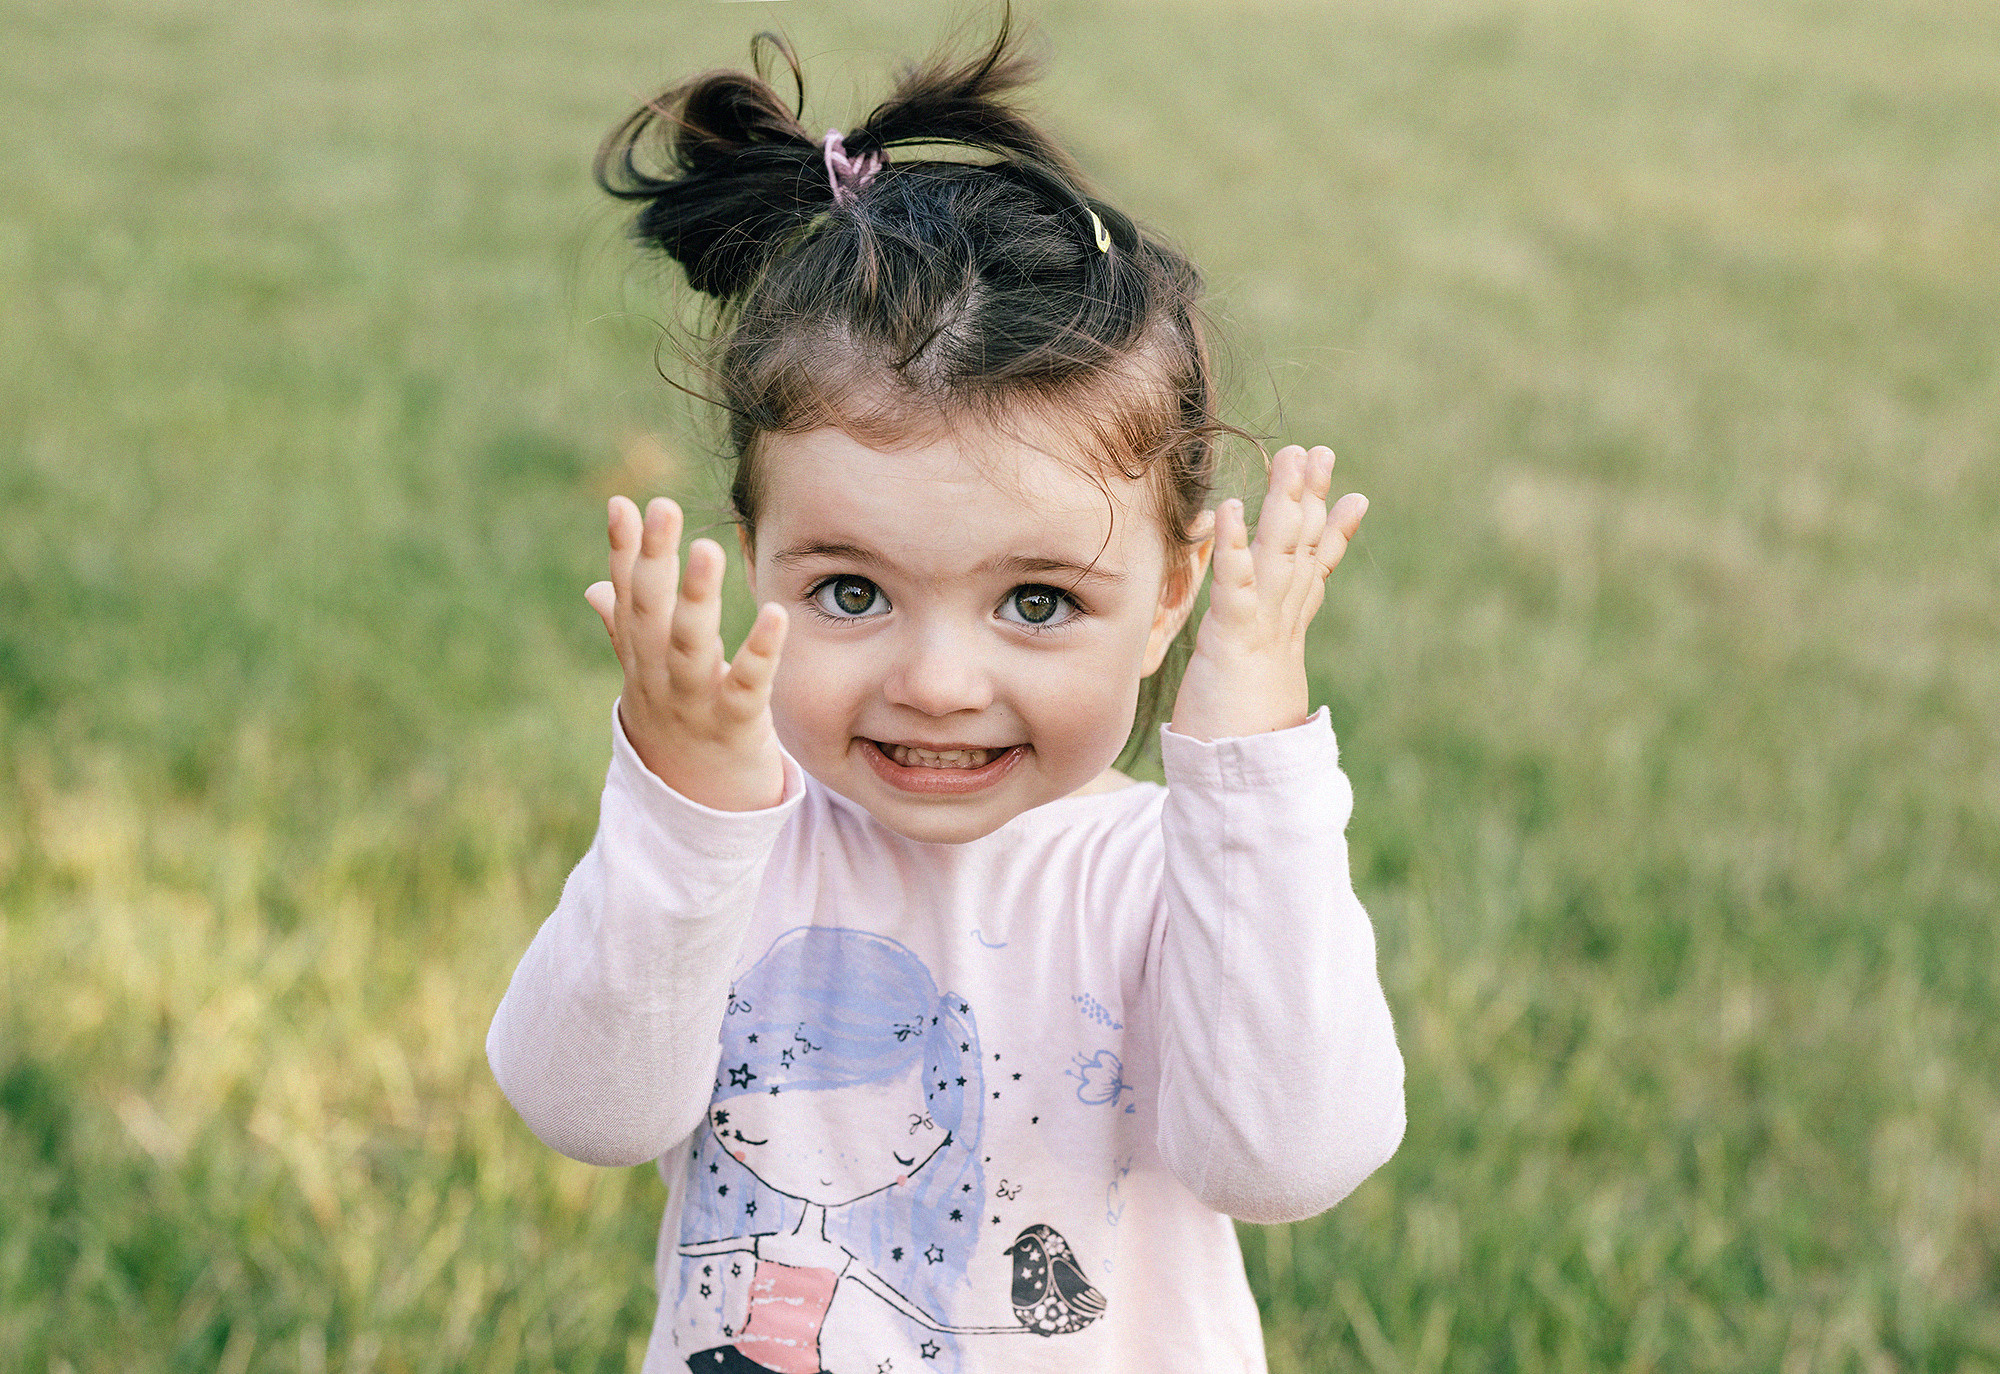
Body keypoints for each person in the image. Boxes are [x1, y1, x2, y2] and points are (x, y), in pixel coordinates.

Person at [488, 18, 1405, 1374]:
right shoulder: (741, 842)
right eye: (853, 591)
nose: (935, 682)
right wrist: (680, 811)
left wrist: (1252, 762)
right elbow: (585, 1105)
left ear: (1170, 598)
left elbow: (1288, 1156)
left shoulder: (1172, 873)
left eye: (1038, 602)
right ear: (756, 561)